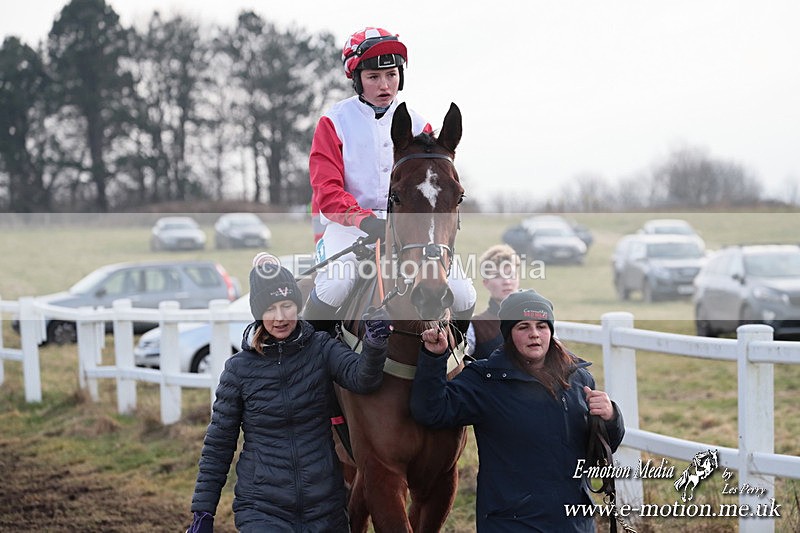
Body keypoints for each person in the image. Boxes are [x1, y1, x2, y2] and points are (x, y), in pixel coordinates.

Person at [188, 255, 391, 532]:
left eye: (287, 306)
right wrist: (203, 511)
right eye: (271, 309)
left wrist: (375, 344)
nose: (281, 317)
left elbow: (363, 379)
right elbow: (218, 446)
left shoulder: (321, 348)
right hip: (262, 509)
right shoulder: (238, 371)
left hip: (325, 507)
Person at [410, 289, 625, 532]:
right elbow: (431, 411)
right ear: (508, 333)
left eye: (542, 326)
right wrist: (433, 358)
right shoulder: (485, 380)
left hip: (574, 522)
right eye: (523, 326)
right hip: (511, 522)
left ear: (551, 331)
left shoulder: (578, 378)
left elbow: (599, 451)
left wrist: (611, 417)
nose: (534, 334)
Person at [305, 26, 476, 326]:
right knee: (335, 286)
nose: (385, 85)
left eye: (392, 75)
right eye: (373, 77)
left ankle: (457, 357)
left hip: (409, 228)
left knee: (463, 294)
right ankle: (311, 359)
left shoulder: (420, 126)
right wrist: (364, 220)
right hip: (350, 228)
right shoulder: (333, 122)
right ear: (357, 80)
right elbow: (326, 191)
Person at [466, 244, 521, 359]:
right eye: (497, 276)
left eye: (511, 275)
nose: (507, 281)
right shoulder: (475, 327)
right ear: (486, 283)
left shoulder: (537, 319)